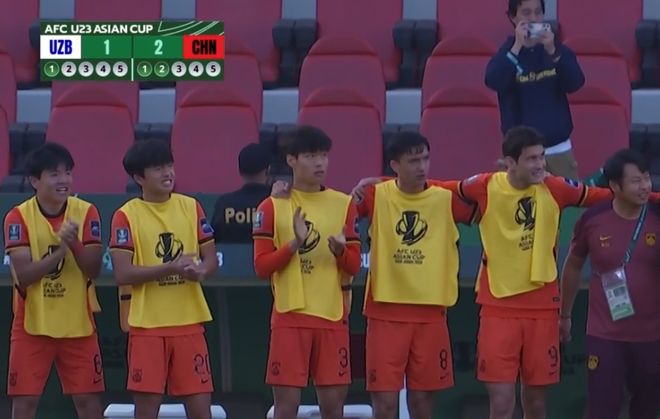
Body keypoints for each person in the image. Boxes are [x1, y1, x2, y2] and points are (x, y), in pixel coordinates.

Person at [353, 132, 478, 419]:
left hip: (430, 312)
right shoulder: (375, 194)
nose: (422, 167)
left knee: (422, 405)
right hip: (385, 312)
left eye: (425, 159)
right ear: (395, 165)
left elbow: (488, 206)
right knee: (385, 405)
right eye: (413, 161)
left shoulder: (445, 197)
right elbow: (337, 211)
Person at [252, 126, 361, 419]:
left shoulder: (344, 204)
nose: (319, 163)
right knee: (286, 408)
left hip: (332, 315)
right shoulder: (272, 206)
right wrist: (294, 244)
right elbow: (261, 267)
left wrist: (340, 251)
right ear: (291, 160)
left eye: (324, 156)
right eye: (311, 156)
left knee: (333, 409)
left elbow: (354, 266)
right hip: (290, 317)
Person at [109, 139, 219, 419]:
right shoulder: (126, 215)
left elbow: (211, 260)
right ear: (139, 177)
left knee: (201, 411)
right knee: (147, 411)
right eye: (158, 168)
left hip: (189, 323)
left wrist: (201, 271)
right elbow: (122, 273)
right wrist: (170, 268)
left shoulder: (191, 207)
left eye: (169, 165)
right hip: (147, 326)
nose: (168, 173)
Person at [3, 143, 104, 419]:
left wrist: (75, 244)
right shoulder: (17, 217)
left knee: (88, 401)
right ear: (35, 181)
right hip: (32, 323)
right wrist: (61, 250)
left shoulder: (87, 211)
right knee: (25, 402)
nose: (64, 180)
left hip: (78, 323)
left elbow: (94, 269)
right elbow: (25, 276)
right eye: (54, 174)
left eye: (68, 173)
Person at [560, 149, 660, 419]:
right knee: (602, 409)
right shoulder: (593, 219)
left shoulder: (657, 216)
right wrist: (564, 315)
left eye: (647, 178)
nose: (645, 186)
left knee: (647, 410)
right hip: (605, 335)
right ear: (615, 186)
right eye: (636, 181)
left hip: (652, 336)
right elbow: (573, 265)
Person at [485, 0, 585, 179]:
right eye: (526, 13)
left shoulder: (557, 50)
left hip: (557, 149)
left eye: (538, 12)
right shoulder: (506, 53)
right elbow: (493, 81)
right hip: (519, 153)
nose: (533, 18)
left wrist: (553, 51)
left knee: (568, 197)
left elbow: (575, 83)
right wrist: (517, 47)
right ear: (513, 17)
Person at [211, 143, 271, 243]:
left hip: (229, 254)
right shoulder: (275, 202)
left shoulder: (224, 204)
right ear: (268, 170)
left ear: (239, 171)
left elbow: (211, 240)